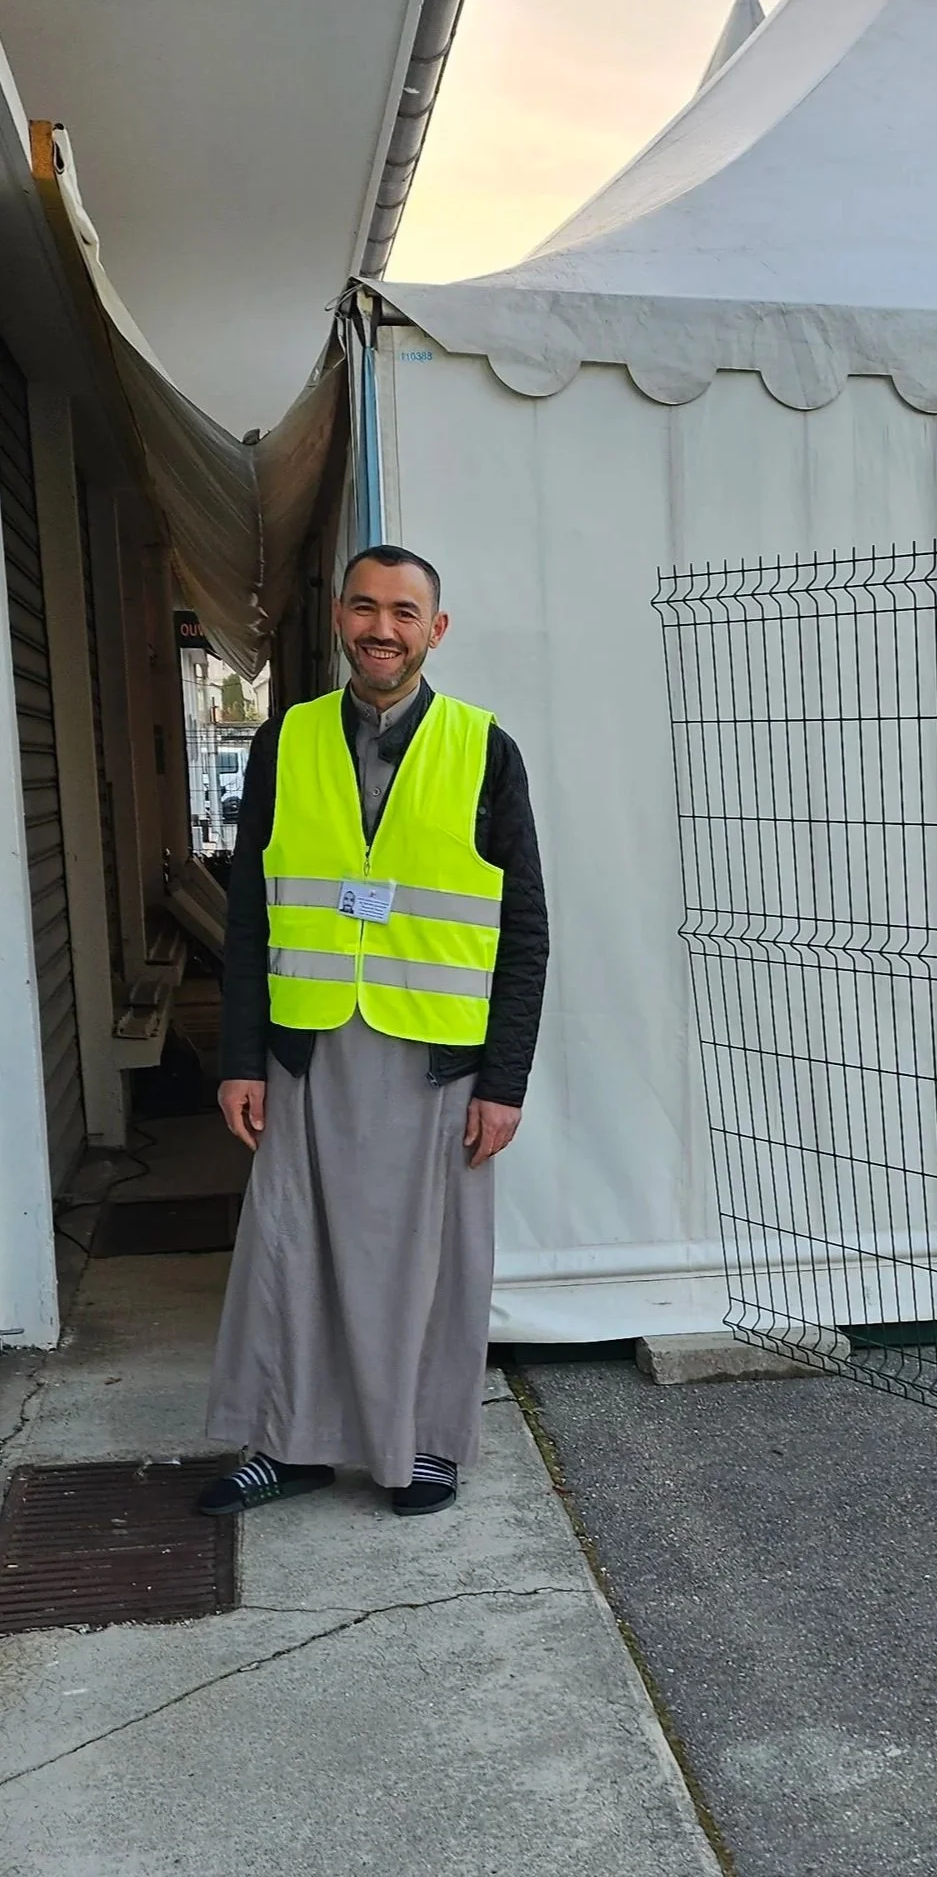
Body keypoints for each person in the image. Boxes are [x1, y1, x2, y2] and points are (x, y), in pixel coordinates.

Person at [199, 544, 548, 1517]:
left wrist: (503, 1082)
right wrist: (239, 1061)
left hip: (435, 1059)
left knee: (431, 1259)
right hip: (305, 1044)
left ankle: (424, 1446)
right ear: (340, 617)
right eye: (365, 607)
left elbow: (524, 930)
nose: (381, 629)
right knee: (290, 1247)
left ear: (434, 630)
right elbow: (251, 915)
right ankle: (288, 1444)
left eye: (404, 612)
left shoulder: (485, 748)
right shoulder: (287, 741)